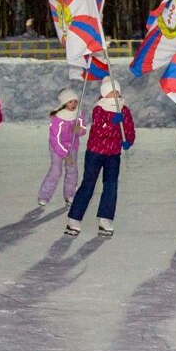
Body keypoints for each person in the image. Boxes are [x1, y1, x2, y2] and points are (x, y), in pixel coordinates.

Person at [64, 78, 135, 237]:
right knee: (88, 184)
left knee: (111, 186)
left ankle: (105, 218)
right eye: (112, 92)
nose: (115, 95)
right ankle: (74, 219)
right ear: (104, 94)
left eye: (117, 92)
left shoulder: (124, 110)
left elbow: (129, 127)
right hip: (96, 152)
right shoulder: (99, 109)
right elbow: (101, 129)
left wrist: (128, 140)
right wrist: (113, 122)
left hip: (113, 154)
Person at [38, 88, 87, 206]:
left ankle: (70, 195)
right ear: (64, 103)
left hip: (73, 146)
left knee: (72, 171)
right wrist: (65, 155)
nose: (74, 104)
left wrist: (79, 130)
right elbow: (55, 139)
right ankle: (44, 195)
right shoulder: (58, 118)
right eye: (70, 102)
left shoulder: (78, 114)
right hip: (57, 147)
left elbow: (83, 129)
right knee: (56, 171)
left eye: (75, 101)